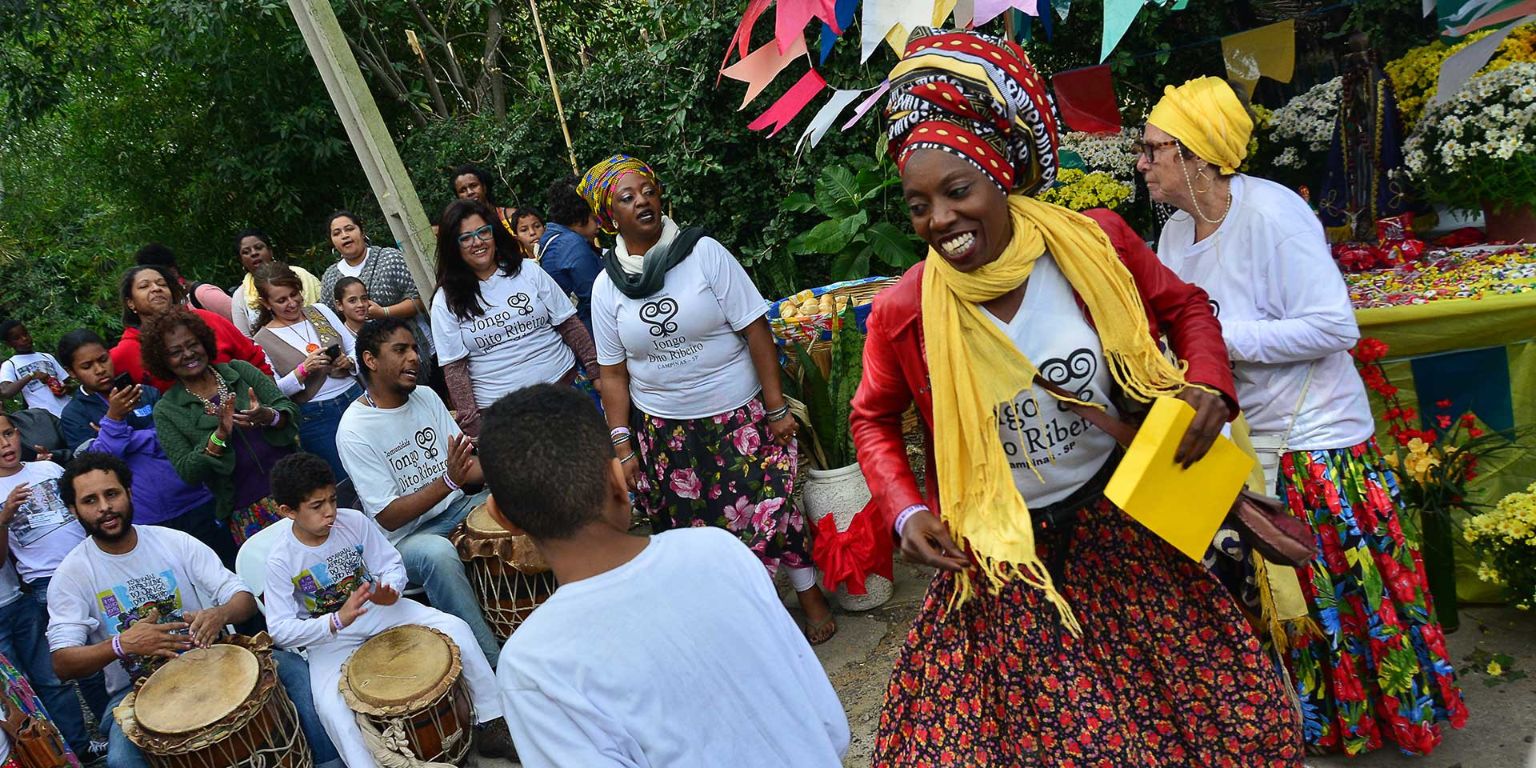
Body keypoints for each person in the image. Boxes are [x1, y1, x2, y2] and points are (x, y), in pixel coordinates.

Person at [849, 30, 1303, 766]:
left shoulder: (1094, 246)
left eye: (957, 192)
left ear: (1001, 178)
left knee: (1224, 716)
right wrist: (904, 509)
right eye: (918, 204)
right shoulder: (907, 309)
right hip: (1001, 557)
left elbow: (1188, 308)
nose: (939, 220)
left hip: (1123, 522)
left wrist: (1211, 386)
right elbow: (871, 417)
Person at [1141, 76, 1467, 756]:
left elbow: (1334, 326)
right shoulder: (1173, 235)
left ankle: (1382, 721)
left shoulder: (1272, 213)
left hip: (1312, 441)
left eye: (1154, 151)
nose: (1143, 165)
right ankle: (1321, 724)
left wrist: (1218, 340)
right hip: (1241, 442)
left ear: (1198, 155)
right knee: (1287, 604)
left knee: (1335, 598)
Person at [480, 384, 849, 767]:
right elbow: (830, 727)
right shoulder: (718, 551)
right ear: (617, 480)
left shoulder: (532, 664)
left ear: (501, 517)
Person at [580, 154, 835, 644]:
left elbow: (756, 329)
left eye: (648, 190)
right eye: (627, 197)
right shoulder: (605, 286)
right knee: (699, 534)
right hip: (667, 430)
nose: (644, 201)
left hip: (738, 413)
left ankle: (808, 594)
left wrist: (776, 406)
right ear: (610, 217)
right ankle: (744, 621)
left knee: (771, 506)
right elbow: (612, 374)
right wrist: (622, 442)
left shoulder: (704, 254)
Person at [45, 452, 340, 768]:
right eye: (90, 500)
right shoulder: (71, 575)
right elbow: (62, 662)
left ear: (129, 494)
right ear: (73, 510)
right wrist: (122, 644)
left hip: (217, 659)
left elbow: (240, 596)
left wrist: (219, 614)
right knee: (120, 761)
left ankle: (330, 763)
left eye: (112, 494)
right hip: (138, 690)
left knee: (296, 670)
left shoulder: (173, 542)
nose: (105, 507)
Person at [264, 453, 514, 766]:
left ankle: (492, 720)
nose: (329, 512)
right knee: (332, 707)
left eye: (331, 499)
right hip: (330, 635)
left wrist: (390, 590)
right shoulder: (281, 559)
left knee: (456, 629)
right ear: (287, 511)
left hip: (376, 609)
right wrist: (336, 620)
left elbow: (391, 564)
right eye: (316, 506)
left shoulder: (352, 522)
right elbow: (281, 630)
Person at [334, 318, 501, 664]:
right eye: (400, 350)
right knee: (436, 554)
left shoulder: (425, 397)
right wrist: (450, 482)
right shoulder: (354, 429)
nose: (414, 357)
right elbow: (390, 517)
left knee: (516, 498)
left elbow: (466, 468)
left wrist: (512, 466)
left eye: (414, 348)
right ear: (370, 360)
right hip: (403, 543)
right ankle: (492, 662)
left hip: (457, 506)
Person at [55, 330, 233, 571]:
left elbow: (174, 438)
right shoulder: (74, 414)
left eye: (103, 359)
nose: (99, 369)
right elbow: (97, 467)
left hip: (195, 499)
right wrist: (115, 418)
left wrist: (114, 433)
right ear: (71, 372)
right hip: (146, 516)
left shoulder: (145, 392)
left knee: (224, 569)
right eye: (87, 366)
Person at [431, 199, 600, 437]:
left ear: (494, 233)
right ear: (453, 246)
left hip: (568, 392)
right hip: (507, 420)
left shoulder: (528, 271)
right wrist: (474, 427)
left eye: (483, 232)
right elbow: (455, 369)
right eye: (466, 237)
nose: (477, 242)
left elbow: (569, 325)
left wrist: (596, 374)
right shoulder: (445, 300)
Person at [143, 307, 298, 546]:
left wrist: (268, 415)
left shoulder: (239, 370)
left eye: (192, 344)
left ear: (204, 342)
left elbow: (288, 408)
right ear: (163, 360)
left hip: (299, 489)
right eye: (175, 352)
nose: (188, 354)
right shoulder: (167, 410)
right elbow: (188, 471)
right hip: (246, 511)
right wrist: (219, 436)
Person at [250, 262, 361, 482]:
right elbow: (273, 391)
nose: (292, 303)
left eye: (294, 294)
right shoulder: (261, 341)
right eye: (281, 300)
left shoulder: (319, 312)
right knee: (346, 481)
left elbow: (356, 347)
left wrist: (347, 361)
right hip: (316, 416)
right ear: (266, 303)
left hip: (356, 397)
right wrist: (302, 371)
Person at [0, 538, 98, 763]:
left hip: (16, 598)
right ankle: (36, 758)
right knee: (12, 698)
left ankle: (78, 749)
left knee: (53, 680)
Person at [111, 265, 272, 392]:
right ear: (130, 302)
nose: (156, 288)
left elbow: (254, 359)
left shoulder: (207, 319)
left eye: (162, 284)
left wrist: (273, 404)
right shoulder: (123, 354)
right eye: (144, 286)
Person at [317, 211, 433, 379]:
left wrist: (384, 312)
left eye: (349, 229)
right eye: (337, 233)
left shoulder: (390, 258)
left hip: (417, 350)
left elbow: (421, 299)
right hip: (372, 366)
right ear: (332, 242)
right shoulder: (330, 277)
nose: (344, 236)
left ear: (362, 232)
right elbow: (330, 323)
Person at [538, 175, 605, 334]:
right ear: (578, 215)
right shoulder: (572, 246)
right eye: (594, 217)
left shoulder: (552, 237)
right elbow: (597, 298)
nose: (600, 224)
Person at [229, 228, 325, 338]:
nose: (254, 253)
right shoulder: (240, 296)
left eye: (258, 248)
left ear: (270, 251)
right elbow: (245, 339)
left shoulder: (299, 274)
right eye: (246, 252)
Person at [134, 243, 234, 321]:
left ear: (173, 271)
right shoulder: (170, 307)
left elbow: (245, 323)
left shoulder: (203, 294)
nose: (155, 288)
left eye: (159, 280)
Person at [1, 321, 72, 418]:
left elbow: (68, 383)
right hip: (45, 419)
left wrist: (66, 388)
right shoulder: (10, 364)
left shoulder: (47, 357)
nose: (24, 339)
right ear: (8, 344)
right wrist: (32, 375)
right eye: (17, 338)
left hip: (70, 411)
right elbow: (6, 391)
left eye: (25, 334)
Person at [449, 164, 519, 234]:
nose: (469, 192)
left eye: (473, 186)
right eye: (462, 190)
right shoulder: (462, 229)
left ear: (484, 188)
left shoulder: (511, 217)